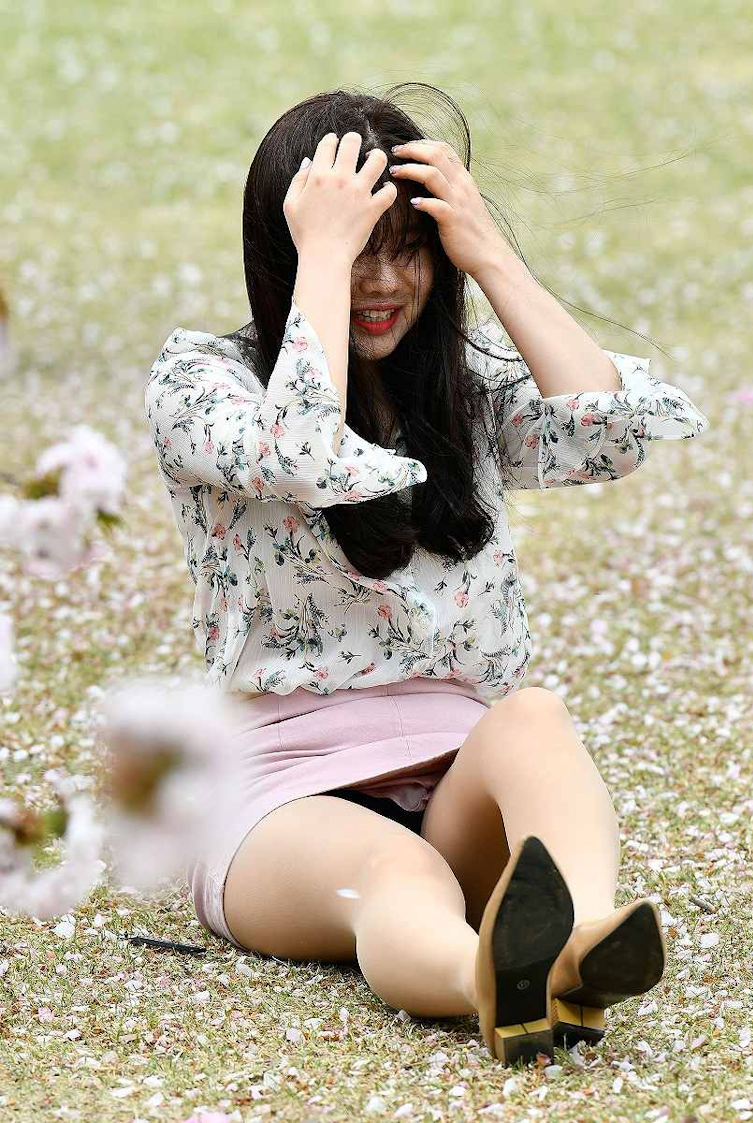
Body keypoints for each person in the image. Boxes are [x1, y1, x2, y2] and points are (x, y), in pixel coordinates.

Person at [143, 83, 710, 1065]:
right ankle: (488, 979)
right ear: (287, 249)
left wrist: (489, 253)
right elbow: (300, 455)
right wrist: (323, 257)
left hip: (451, 784)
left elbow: (608, 436)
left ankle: (575, 940)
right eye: (356, 248)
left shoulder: (459, 392)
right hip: (282, 800)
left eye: (407, 248)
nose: (383, 280)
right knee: (396, 872)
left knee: (532, 717)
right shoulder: (202, 383)